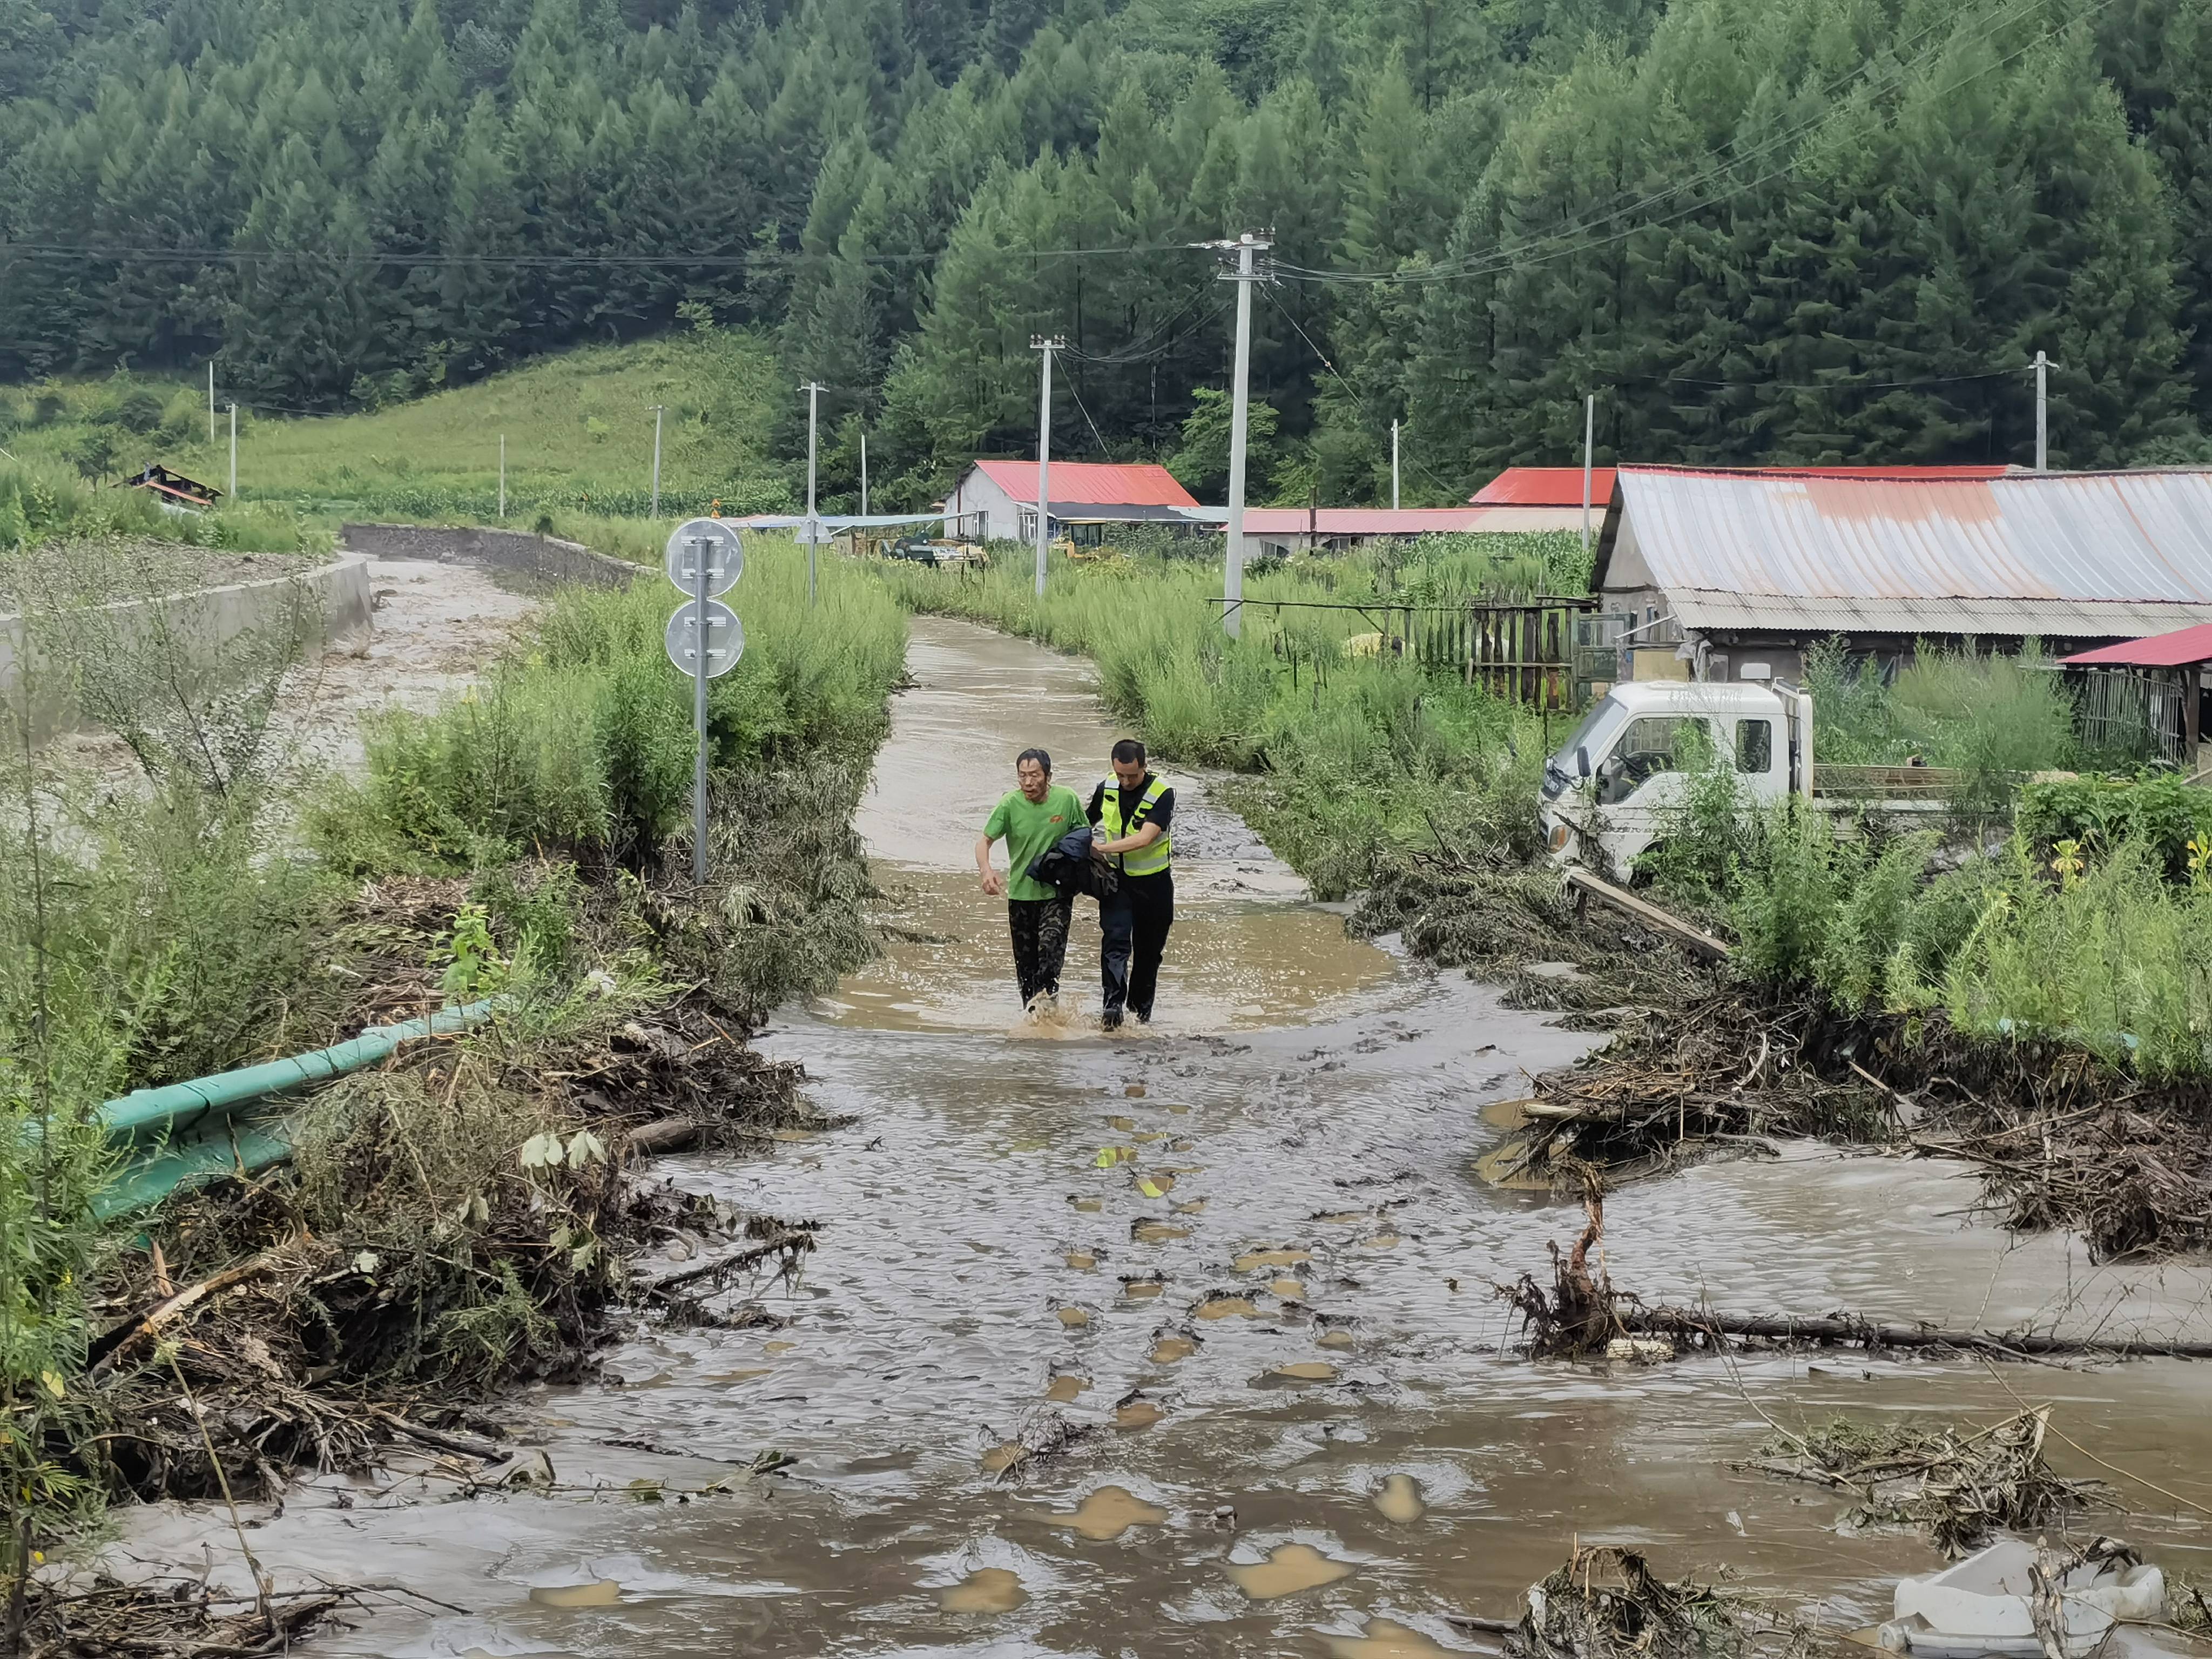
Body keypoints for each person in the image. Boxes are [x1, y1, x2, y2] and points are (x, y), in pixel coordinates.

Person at [976, 747, 1084, 1011]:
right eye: (1022, 776)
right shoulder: (1009, 805)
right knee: (1026, 969)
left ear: (1048, 776)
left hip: (1056, 894)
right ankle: (1036, 1023)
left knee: (1049, 954)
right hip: (1021, 896)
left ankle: (1049, 1014)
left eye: (1034, 775)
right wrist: (986, 871)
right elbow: (984, 841)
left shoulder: (1067, 800)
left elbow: (1083, 835)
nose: (1028, 782)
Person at [1087, 737, 1175, 1031]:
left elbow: (1145, 838)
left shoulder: (1163, 793)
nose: (1125, 781)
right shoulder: (1107, 787)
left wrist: (1101, 849)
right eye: (1120, 774)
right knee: (1115, 944)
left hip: (1155, 886)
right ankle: (1112, 1011)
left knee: (1148, 955)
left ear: (1144, 767)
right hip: (1116, 883)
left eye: (1132, 776)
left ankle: (1139, 1018)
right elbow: (1085, 823)